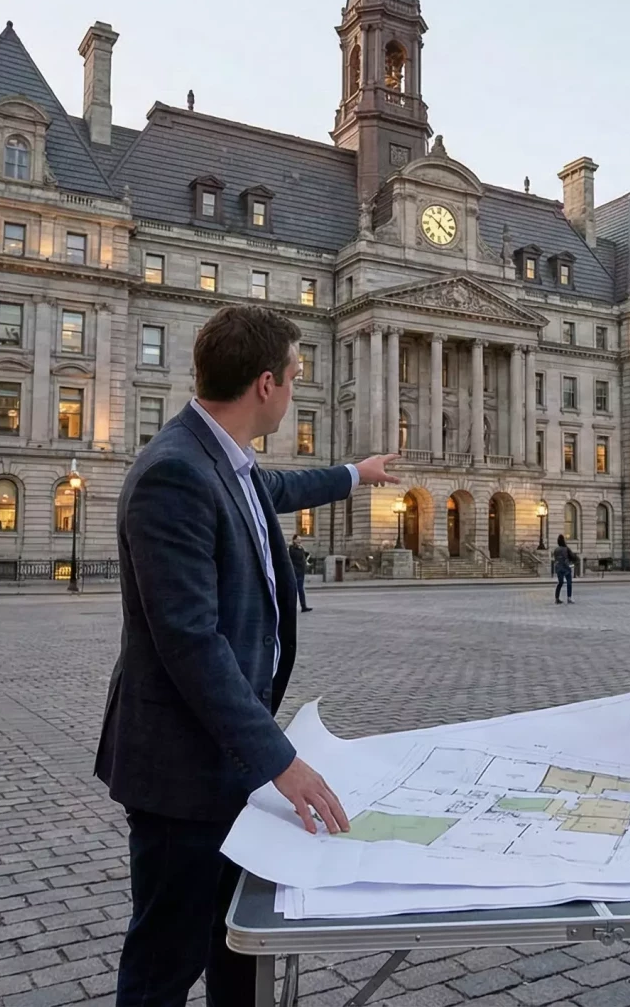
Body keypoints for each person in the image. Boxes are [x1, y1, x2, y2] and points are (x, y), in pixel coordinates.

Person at [93, 306, 399, 1007]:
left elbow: (281, 491)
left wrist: (356, 472)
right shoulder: (173, 473)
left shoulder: (224, 461)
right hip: (180, 768)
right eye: (294, 375)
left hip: (225, 763)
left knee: (239, 943)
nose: (297, 388)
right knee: (164, 960)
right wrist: (281, 761)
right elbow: (190, 642)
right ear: (265, 384)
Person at [287, 536, 312, 613]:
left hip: (301, 571)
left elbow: (303, 557)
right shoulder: (292, 549)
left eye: (300, 540)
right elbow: (294, 557)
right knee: (294, 589)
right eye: (297, 540)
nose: (299, 541)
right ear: (294, 540)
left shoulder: (300, 548)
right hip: (295, 571)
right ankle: (292, 607)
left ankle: (303, 606)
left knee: (300, 589)